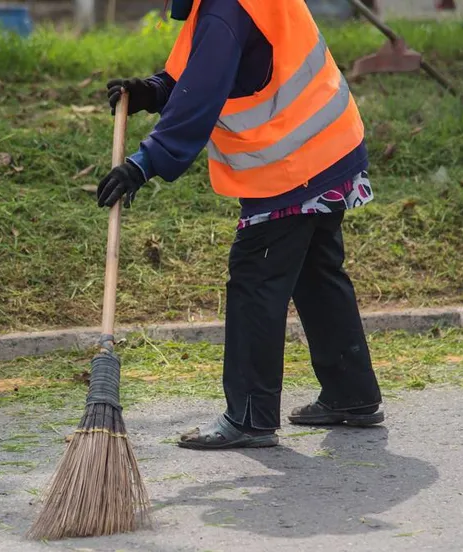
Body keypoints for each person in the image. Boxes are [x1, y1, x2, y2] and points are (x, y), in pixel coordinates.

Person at [96, 0, 384, 450]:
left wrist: (144, 163)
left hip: (291, 165)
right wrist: (156, 90)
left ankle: (250, 416)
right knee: (317, 274)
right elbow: (219, 68)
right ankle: (353, 395)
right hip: (330, 147)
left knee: (255, 279)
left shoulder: (223, 10)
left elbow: (205, 91)